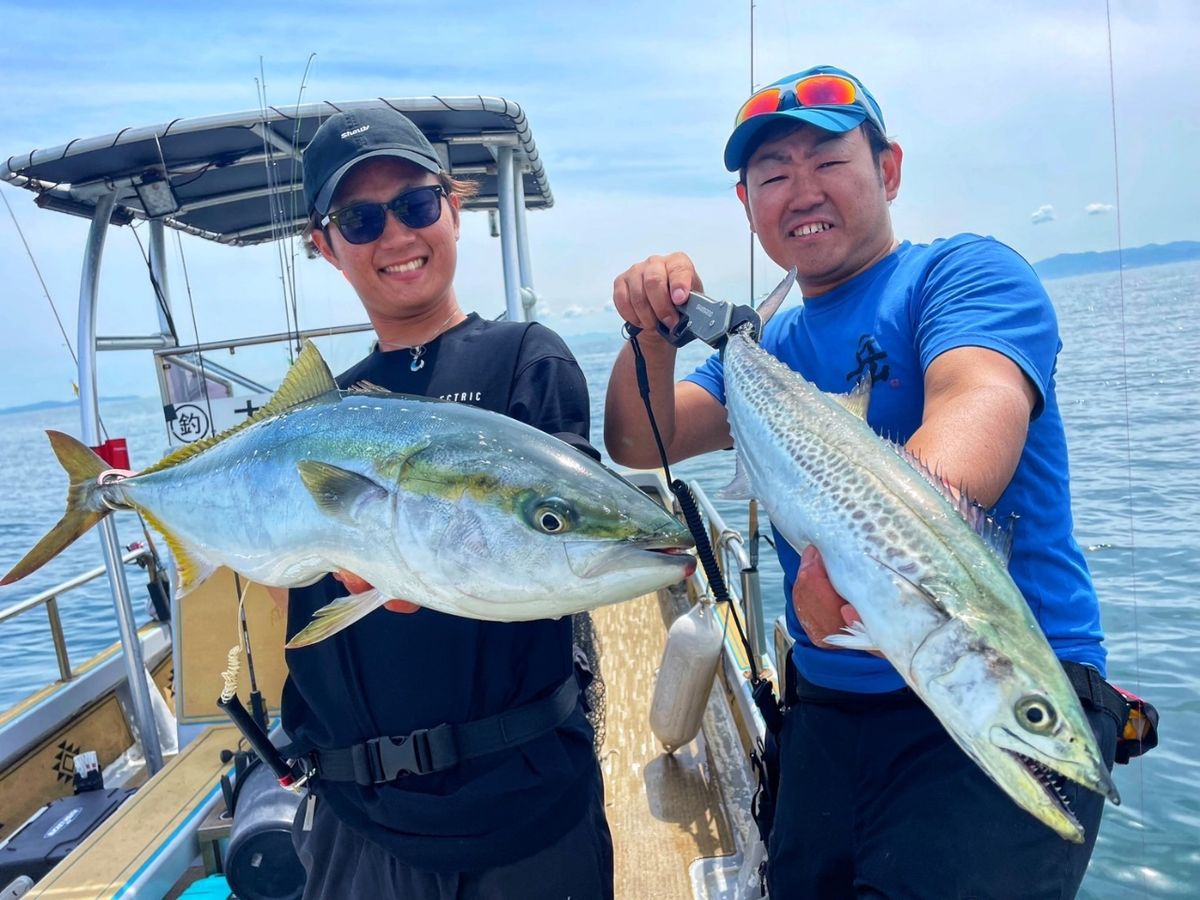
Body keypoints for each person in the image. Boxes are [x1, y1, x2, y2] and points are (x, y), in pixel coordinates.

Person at [604, 65, 1122, 898]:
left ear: (888, 170)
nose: (801, 189)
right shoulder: (763, 355)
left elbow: (977, 404)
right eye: (773, 174)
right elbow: (639, 441)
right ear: (748, 206)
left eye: (829, 161)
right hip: (829, 717)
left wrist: (854, 570)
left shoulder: (962, 275)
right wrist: (653, 334)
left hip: (988, 710)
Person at [275, 107, 613, 899]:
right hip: (356, 819)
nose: (395, 236)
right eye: (360, 219)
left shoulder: (526, 361)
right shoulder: (317, 415)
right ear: (326, 246)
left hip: (521, 808)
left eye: (416, 205)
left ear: (455, 208)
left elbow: (553, 548)